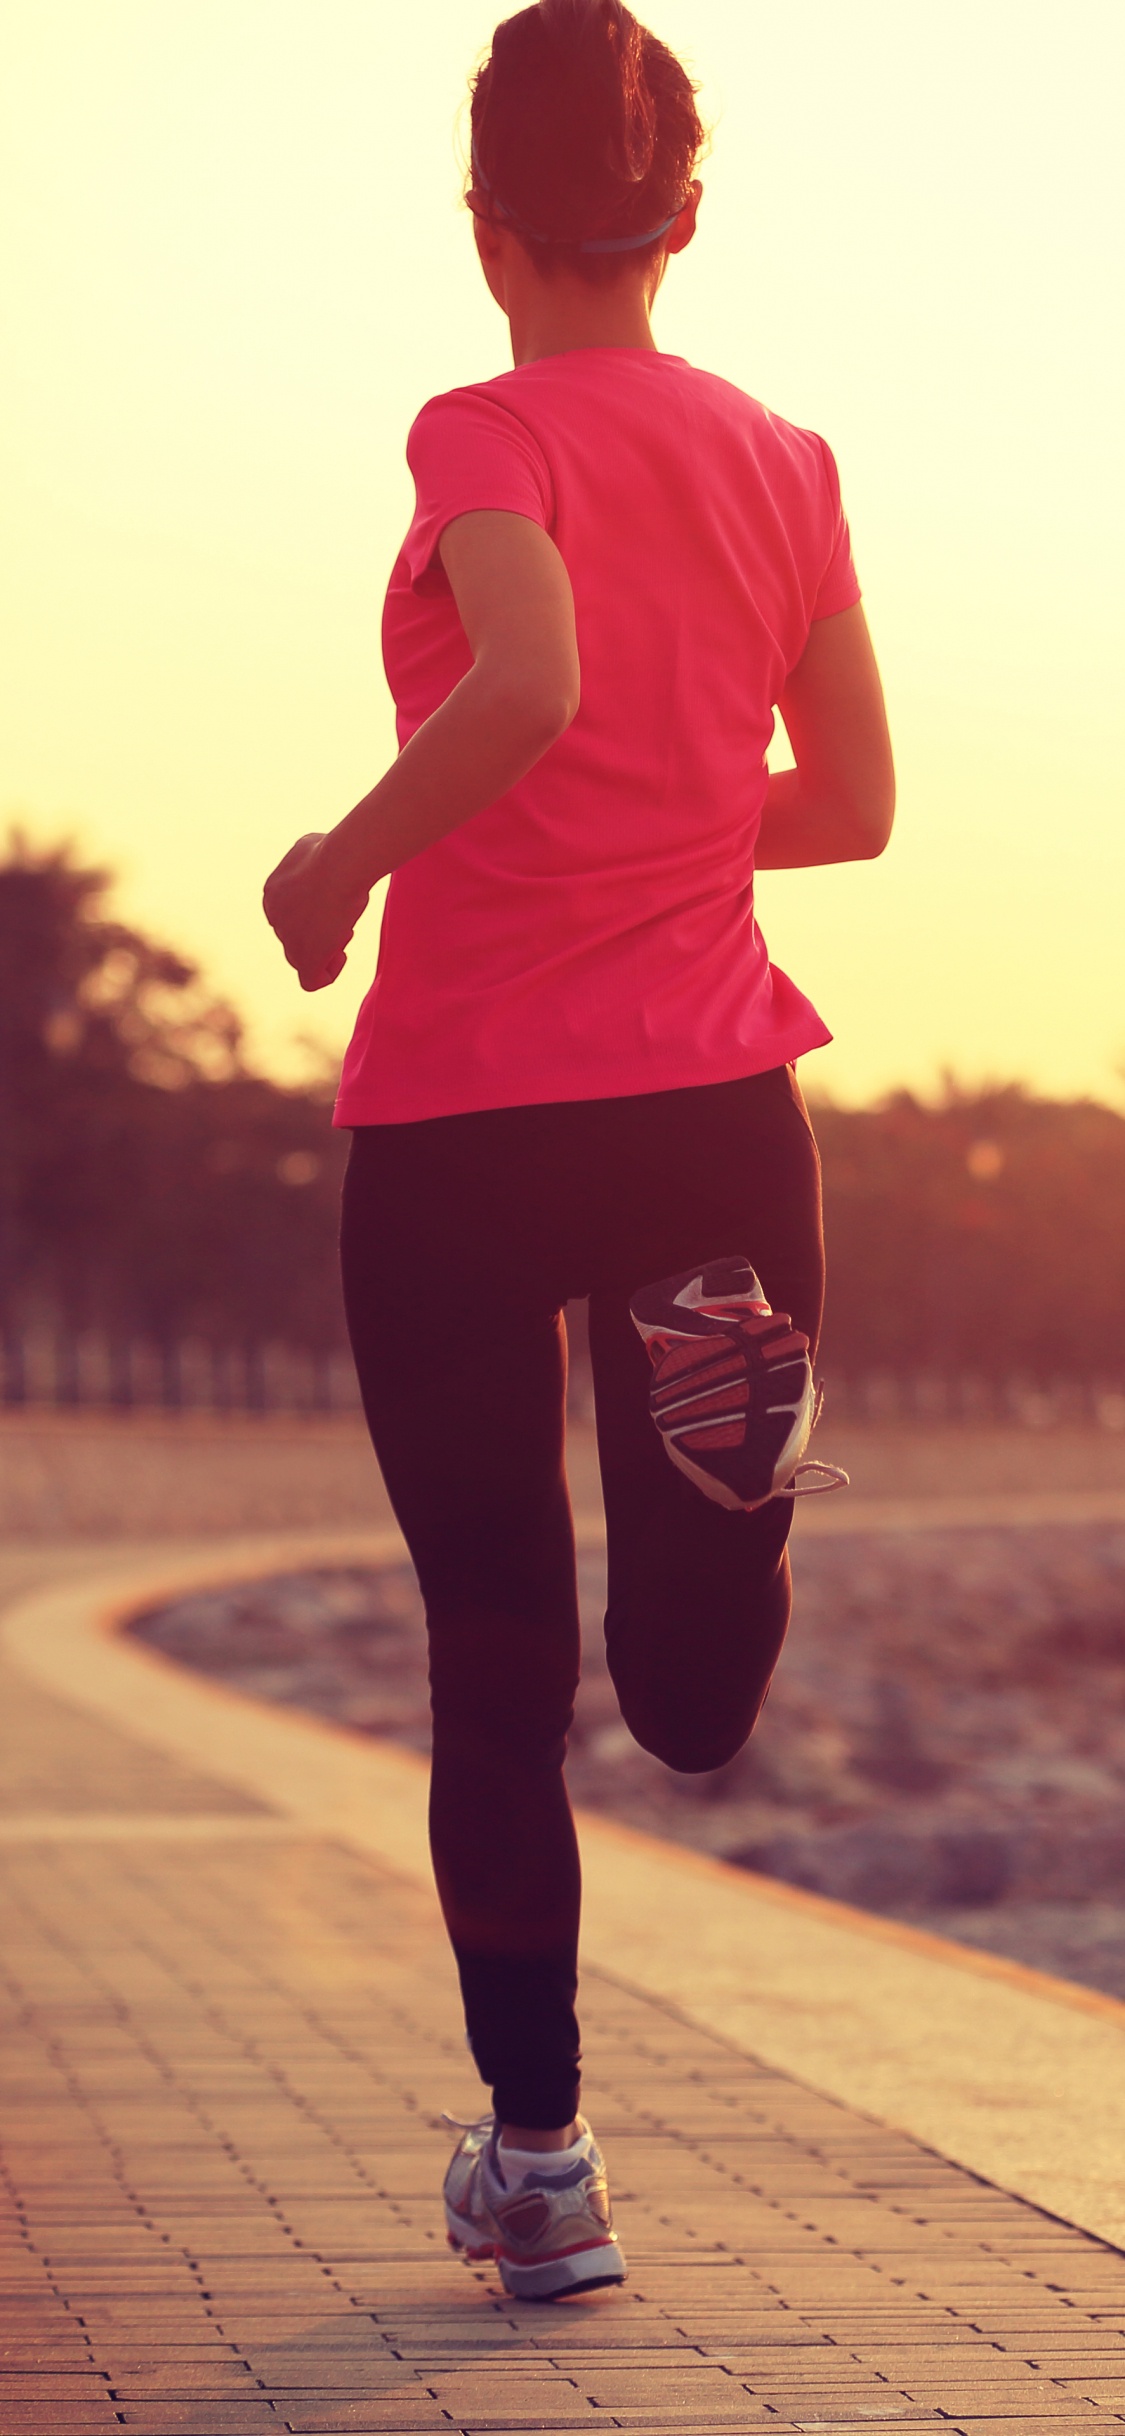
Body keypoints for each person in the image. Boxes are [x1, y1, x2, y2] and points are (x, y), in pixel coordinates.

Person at [264, 0, 894, 2304]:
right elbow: (850, 807)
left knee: (491, 1667)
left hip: (454, 1119)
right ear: (687, 217)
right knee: (685, 1698)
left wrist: (341, 859)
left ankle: (540, 2164)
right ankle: (720, 1545)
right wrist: (664, 817)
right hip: (710, 1111)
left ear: (483, 223)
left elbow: (515, 681)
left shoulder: (482, 422)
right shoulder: (781, 455)